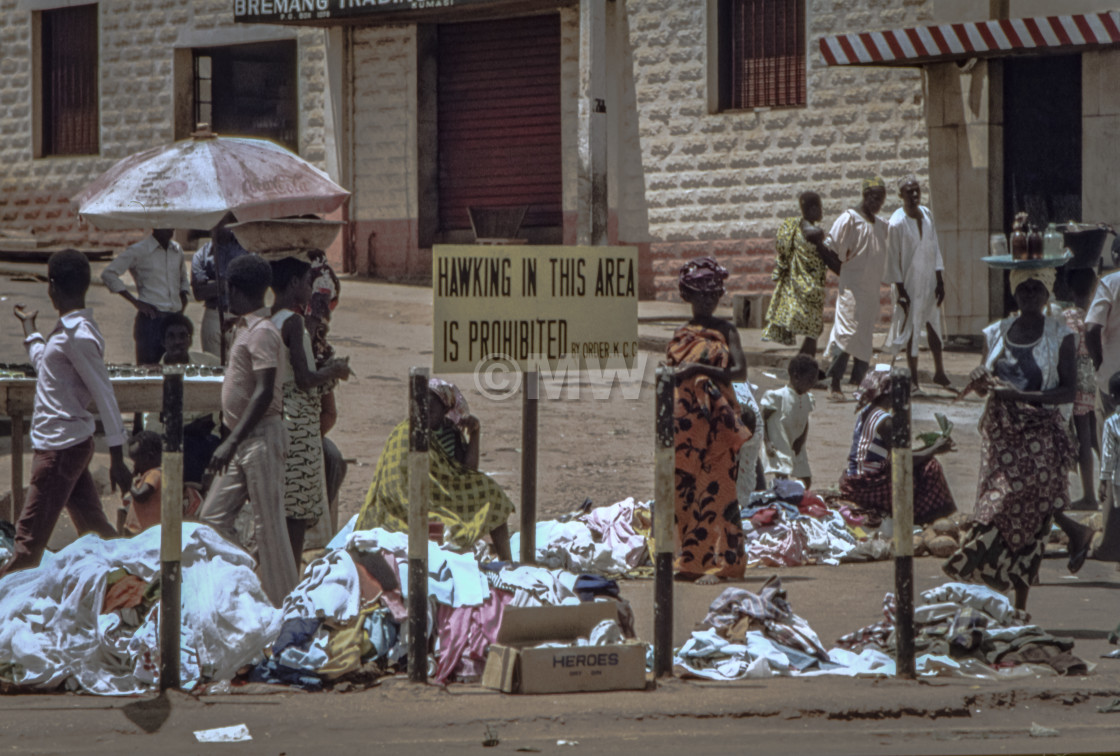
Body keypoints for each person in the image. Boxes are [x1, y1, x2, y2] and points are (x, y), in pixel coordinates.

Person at [943, 265, 1094, 611]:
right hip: (1002, 436)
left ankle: (1018, 604)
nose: (1029, 295)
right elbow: (984, 385)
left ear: (1046, 294)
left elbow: (1068, 391)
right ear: (1014, 293)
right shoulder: (996, 332)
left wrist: (1021, 397)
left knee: (1028, 517)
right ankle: (1069, 535)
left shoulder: (1061, 335)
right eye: (1023, 289)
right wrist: (979, 376)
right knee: (998, 508)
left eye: (1035, 289)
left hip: (1042, 434)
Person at [0, 250, 131, 578]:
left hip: (59, 451)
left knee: (28, 545)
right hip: (65, 447)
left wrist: (117, 457)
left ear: (52, 287)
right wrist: (31, 331)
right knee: (96, 531)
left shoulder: (79, 337)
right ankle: (134, 581)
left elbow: (105, 395)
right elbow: (48, 367)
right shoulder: (70, 332)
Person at [197, 253, 299, 607]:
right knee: (211, 519)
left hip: (259, 438)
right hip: (243, 439)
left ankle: (287, 607)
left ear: (236, 290)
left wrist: (232, 440)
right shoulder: (246, 329)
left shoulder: (263, 333)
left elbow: (265, 391)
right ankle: (250, 578)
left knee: (269, 529)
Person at [357, 378, 515, 561]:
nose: (425, 410)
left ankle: (507, 562)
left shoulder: (451, 433)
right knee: (441, 526)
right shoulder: (405, 431)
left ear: (445, 409)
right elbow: (395, 477)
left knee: (493, 496)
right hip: (411, 500)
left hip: (445, 498)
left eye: (432, 406)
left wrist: (475, 434)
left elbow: (466, 473)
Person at [666, 257, 750, 583]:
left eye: (712, 296)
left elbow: (739, 371)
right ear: (688, 297)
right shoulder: (680, 335)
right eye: (700, 296)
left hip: (721, 425)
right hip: (687, 426)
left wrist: (699, 370)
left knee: (719, 493)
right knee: (685, 493)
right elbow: (670, 380)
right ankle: (691, 562)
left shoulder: (727, 330)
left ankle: (726, 563)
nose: (707, 302)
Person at [269, 256, 351, 562]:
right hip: (299, 421)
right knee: (298, 510)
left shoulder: (272, 318)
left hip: (285, 413)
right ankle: (291, 573)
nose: (309, 289)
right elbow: (304, 379)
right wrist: (334, 371)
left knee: (288, 505)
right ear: (293, 285)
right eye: (306, 282)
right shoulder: (292, 322)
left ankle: (286, 569)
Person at [838, 368, 956, 525]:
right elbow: (901, 460)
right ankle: (923, 519)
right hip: (867, 485)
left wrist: (932, 447)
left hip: (858, 478)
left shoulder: (869, 411)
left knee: (923, 463)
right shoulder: (885, 421)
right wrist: (935, 449)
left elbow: (899, 453)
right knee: (930, 467)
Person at [822, 178, 890, 401]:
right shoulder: (849, 219)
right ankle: (834, 383)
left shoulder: (881, 225)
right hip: (852, 290)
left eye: (882, 199)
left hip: (871, 291)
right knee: (846, 334)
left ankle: (860, 383)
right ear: (865, 195)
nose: (878, 203)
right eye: (874, 197)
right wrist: (843, 271)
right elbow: (828, 249)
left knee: (865, 336)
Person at [884, 175, 951, 392]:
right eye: (909, 192)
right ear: (900, 195)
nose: (914, 195)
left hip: (929, 280)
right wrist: (901, 291)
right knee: (911, 330)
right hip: (909, 284)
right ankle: (913, 381)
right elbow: (892, 259)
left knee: (934, 325)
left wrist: (940, 280)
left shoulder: (927, 214)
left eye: (916, 191)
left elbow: (935, 247)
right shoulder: (897, 223)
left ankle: (939, 372)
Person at [141, 313, 222, 487]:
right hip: (172, 438)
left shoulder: (207, 363)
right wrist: (185, 429)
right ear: (163, 342)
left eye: (182, 336)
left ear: (190, 340)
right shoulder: (154, 375)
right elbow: (151, 424)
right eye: (171, 337)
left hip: (207, 438)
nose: (178, 341)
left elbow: (224, 393)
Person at [763, 192, 839, 356]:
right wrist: (843, 270)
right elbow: (826, 257)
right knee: (813, 333)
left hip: (797, 288)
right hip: (811, 290)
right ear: (812, 209)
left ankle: (803, 367)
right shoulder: (815, 233)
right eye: (819, 207)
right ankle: (803, 369)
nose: (821, 211)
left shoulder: (794, 228)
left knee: (812, 333)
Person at [101, 228, 190, 366]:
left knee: (176, 371)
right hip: (151, 321)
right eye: (164, 223)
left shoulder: (177, 250)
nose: (170, 228)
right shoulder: (139, 250)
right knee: (149, 370)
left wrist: (183, 298)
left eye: (171, 223)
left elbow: (183, 278)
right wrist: (136, 302)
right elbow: (108, 274)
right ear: (155, 225)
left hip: (175, 321)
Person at [1062, 269, 1101, 510]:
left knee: (1083, 439)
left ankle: (1088, 496)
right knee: (1097, 436)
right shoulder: (1096, 311)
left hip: (1076, 380)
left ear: (1068, 288)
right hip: (1095, 378)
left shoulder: (1067, 316)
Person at [190, 214, 248, 359]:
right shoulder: (201, 255)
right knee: (214, 365)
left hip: (240, 316)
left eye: (222, 222)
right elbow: (199, 293)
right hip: (214, 315)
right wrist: (226, 285)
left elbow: (250, 284)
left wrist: (215, 285)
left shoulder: (245, 250)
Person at [760, 354, 818, 490]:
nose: (813, 383)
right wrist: (767, 442)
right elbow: (763, 418)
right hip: (779, 443)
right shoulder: (778, 396)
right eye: (810, 380)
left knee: (805, 478)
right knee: (782, 477)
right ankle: (783, 501)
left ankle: (795, 499)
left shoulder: (807, 398)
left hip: (797, 443)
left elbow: (805, 419)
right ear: (797, 377)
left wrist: (802, 440)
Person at [1087, 268, 1120, 416]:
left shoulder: (1111, 282)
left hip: (1112, 381)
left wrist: (1099, 363)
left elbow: (1091, 329)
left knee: (1109, 435)